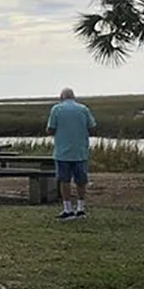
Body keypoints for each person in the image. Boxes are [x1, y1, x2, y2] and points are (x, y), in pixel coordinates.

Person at [46, 87, 97, 221]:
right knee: (81, 180)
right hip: (80, 151)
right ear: (73, 97)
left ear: (61, 97)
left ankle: (67, 209)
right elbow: (92, 126)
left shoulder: (56, 109)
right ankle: (80, 208)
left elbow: (51, 128)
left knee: (64, 181)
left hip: (62, 152)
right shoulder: (83, 109)